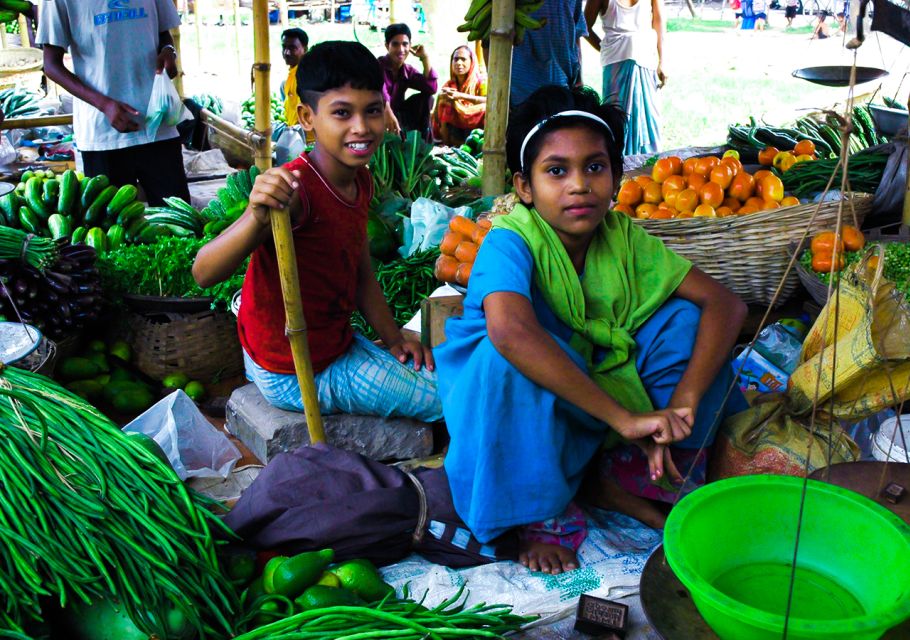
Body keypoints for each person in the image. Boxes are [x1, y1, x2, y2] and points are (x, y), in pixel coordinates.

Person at [434, 85, 747, 574]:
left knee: (683, 322)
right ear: (523, 187)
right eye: (556, 171)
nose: (578, 185)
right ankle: (538, 511)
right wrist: (623, 417)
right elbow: (512, 333)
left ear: (618, 177)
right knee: (508, 356)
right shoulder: (509, 242)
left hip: (595, 384)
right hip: (513, 404)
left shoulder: (621, 236)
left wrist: (682, 404)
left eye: (594, 167)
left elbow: (725, 306)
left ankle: (635, 475)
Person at [193, 41, 442, 422]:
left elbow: (361, 276)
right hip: (293, 371)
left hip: (329, 345)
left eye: (373, 110)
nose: (361, 127)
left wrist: (394, 339)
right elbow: (203, 272)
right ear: (307, 118)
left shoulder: (361, 181)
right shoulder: (294, 191)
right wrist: (255, 215)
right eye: (342, 113)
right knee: (446, 399)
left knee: (438, 368)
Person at [38, 0, 190, 206]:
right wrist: (105, 104)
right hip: (103, 135)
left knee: (179, 224)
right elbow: (51, 65)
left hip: (158, 124)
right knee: (110, 228)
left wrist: (168, 52)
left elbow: (164, 34)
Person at [584, 0, 665, 156]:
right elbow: (583, 26)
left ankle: (650, 167)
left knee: (649, 121)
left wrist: (663, 61)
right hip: (615, 64)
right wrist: (604, 47)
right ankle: (617, 167)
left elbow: (659, 23)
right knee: (616, 119)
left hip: (646, 61)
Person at [510, 0, 588, 107]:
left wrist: (579, 78)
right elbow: (489, 41)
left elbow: (576, 32)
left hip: (564, 85)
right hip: (521, 87)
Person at [378, 23, 437, 137]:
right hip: (379, 115)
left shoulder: (407, 70)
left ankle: (421, 141)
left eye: (405, 44)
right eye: (395, 44)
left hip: (398, 115)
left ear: (410, 46)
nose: (401, 49)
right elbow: (381, 92)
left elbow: (431, 88)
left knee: (427, 99)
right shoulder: (378, 66)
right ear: (387, 46)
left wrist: (425, 58)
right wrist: (387, 109)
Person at [431, 45, 487, 147]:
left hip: (476, 131)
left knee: (485, 108)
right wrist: (441, 97)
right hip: (455, 130)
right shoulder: (449, 85)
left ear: (471, 62)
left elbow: (489, 101)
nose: (459, 63)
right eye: (456, 59)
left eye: (463, 59)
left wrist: (460, 96)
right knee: (445, 102)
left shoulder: (481, 82)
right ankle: (446, 144)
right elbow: (437, 112)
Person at [280, 28, 309, 127]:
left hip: (302, 135)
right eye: (284, 47)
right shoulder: (294, 72)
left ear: (305, 50)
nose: (286, 53)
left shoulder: (303, 77)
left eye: (292, 48)